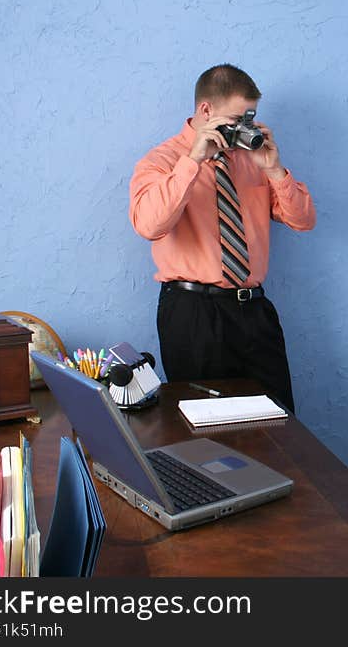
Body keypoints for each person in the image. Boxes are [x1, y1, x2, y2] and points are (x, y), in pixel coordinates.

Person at [129, 63, 315, 413]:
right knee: (204, 432)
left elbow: (303, 221)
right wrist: (193, 161)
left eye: (250, 118)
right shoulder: (161, 161)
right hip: (193, 313)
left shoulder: (251, 161)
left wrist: (274, 169)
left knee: (279, 422)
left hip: (254, 310)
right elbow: (150, 226)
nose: (243, 128)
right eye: (236, 119)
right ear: (206, 111)